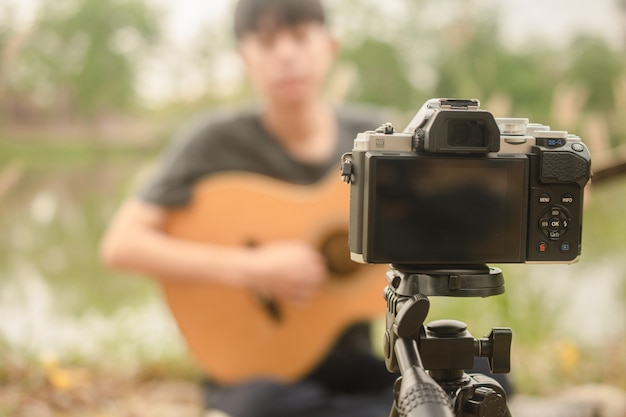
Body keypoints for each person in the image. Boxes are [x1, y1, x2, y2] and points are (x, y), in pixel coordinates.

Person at [100, 0, 397, 416]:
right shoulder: (212, 141)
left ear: (330, 46)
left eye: (299, 37)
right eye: (268, 41)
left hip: (356, 362)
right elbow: (122, 245)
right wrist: (254, 268)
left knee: (481, 379)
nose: (286, 55)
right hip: (254, 373)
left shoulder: (380, 138)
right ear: (244, 58)